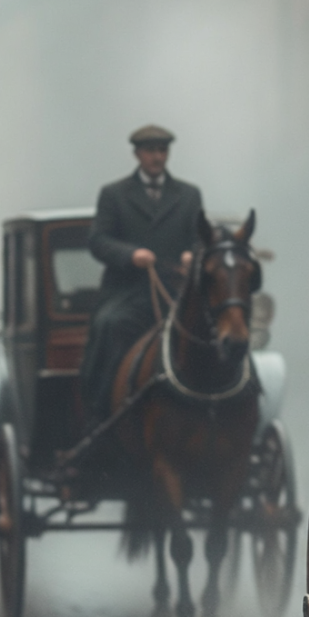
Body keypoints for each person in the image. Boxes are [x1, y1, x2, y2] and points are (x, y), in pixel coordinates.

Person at [81, 125, 205, 419]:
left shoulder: (189, 195)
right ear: (137, 154)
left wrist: (193, 254)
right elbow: (98, 241)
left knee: (219, 329)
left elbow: (202, 238)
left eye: (162, 150)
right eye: (151, 151)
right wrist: (130, 255)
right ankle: (103, 411)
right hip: (128, 292)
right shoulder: (114, 194)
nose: (157, 157)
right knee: (110, 325)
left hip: (176, 293)